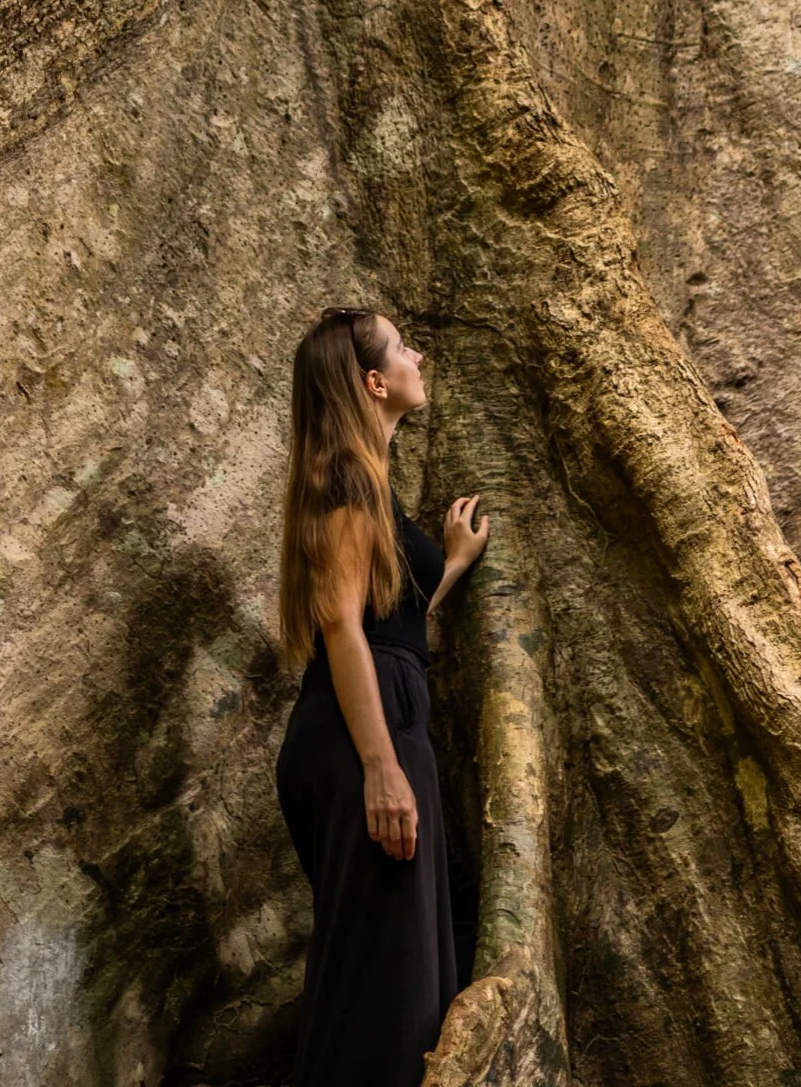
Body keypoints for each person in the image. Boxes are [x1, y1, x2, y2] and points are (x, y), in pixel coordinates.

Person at [275, 306, 491, 1087]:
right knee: (383, 989)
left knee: (423, 948)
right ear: (374, 381)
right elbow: (339, 622)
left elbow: (381, 621)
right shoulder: (347, 479)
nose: (419, 355)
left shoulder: (365, 482)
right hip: (361, 737)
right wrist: (379, 766)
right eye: (403, 348)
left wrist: (454, 566)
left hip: (377, 719)